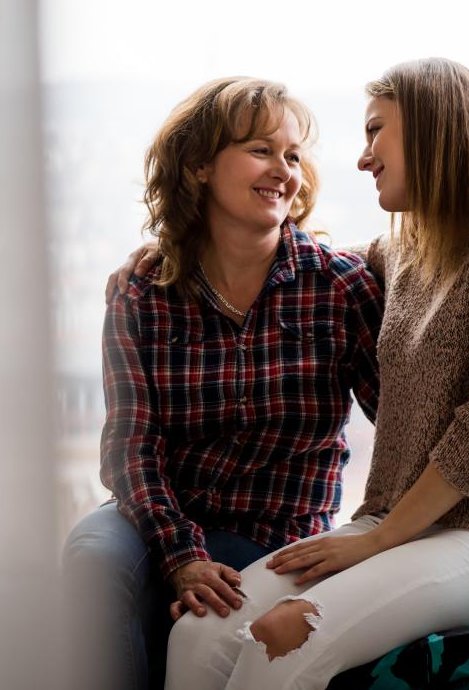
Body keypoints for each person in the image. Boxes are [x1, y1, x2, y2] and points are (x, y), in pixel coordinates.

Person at [115, 58, 469, 690]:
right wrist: (175, 249)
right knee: (200, 632)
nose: (364, 158)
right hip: (400, 528)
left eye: (375, 133)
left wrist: (378, 538)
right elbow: (297, 263)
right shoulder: (404, 250)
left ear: (429, 130)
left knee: (284, 637)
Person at [62, 77, 383, 690]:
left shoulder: (339, 288)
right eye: (261, 150)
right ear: (200, 166)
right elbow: (130, 446)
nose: (283, 171)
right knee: (91, 554)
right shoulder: (143, 290)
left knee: (192, 616)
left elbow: (400, 425)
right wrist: (180, 554)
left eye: (292, 156)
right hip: (158, 520)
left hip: (274, 538)